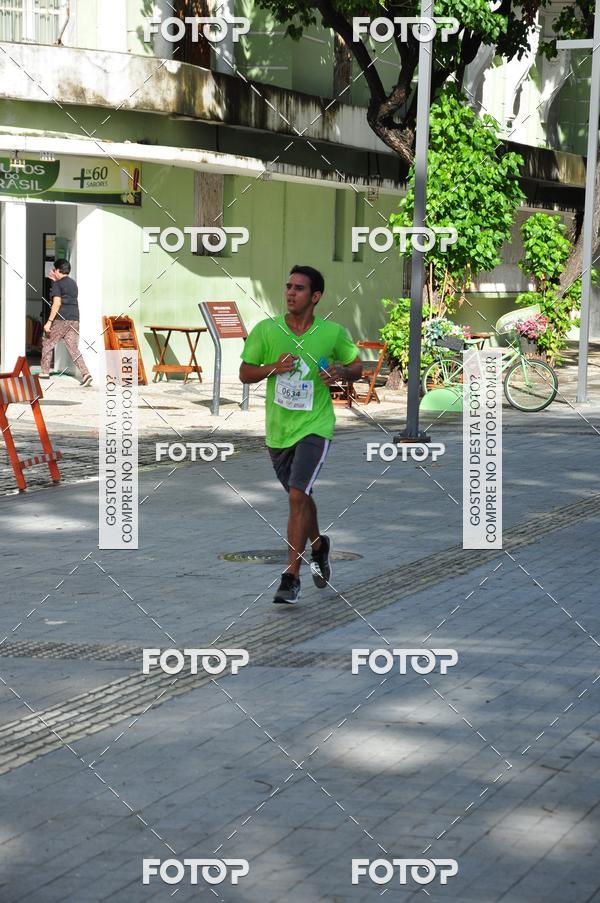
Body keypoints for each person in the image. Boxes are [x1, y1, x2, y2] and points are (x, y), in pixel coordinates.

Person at [239, 265, 362, 604]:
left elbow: (357, 367)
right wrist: (272, 368)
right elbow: (245, 373)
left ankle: (290, 576)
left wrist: (340, 371)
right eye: (288, 286)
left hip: (315, 426)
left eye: (299, 288)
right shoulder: (267, 330)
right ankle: (319, 544)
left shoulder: (332, 332)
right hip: (278, 431)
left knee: (296, 495)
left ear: (315, 296)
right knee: (302, 497)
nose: (291, 292)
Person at [40, 259, 92, 386]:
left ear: (58, 270)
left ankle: (45, 372)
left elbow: (57, 303)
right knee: (73, 347)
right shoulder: (73, 283)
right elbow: (66, 295)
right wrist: (54, 282)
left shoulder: (57, 285)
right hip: (74, 318)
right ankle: (86, 374)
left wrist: (49, 322)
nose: (53, 272)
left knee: (47, 340)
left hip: (61, 318)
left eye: (54, 270)